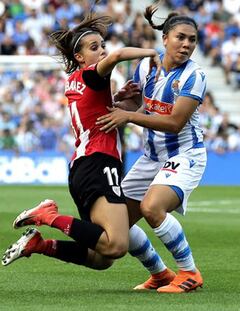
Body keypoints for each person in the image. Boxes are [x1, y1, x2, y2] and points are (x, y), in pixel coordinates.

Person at [2, 12, 166, 278]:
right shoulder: (91, 75)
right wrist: (153, 51)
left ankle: (41, 245)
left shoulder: (76, 82)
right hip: (99, 163)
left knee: (101, 258)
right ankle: (47, 216)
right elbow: (117, 55)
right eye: (94, 47)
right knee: (117, 245)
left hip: (83, 168)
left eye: (102, 45)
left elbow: (107, 118)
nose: (102, 51)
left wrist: (125, 103)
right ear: (79, 57)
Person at [96, 2, 207, 293]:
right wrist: (126, 101)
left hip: (185, 155)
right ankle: (159, 274)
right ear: (165, 39)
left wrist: (129, 115)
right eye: (181, 37)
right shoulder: (146, 65)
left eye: (192, 40)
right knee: (118, 223)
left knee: (152, 207)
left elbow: (174, 123)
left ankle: (190, 272)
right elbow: (140, 105)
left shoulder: (194, 76)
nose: (186, 44)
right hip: (152, 157)